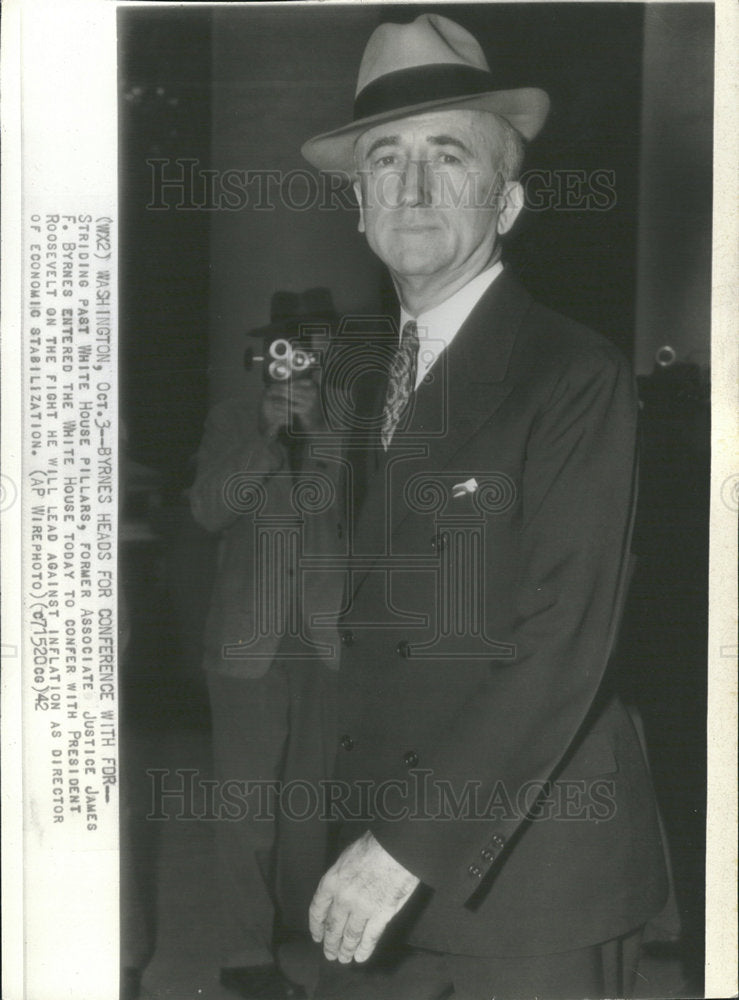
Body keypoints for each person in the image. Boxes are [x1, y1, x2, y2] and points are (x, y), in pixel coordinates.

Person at [298, 13, 668, 1000]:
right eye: (386, 159)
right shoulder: (352, 378)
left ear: (505, 203)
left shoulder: (571, 372)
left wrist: (401, 846)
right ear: (358, 206)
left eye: (447, 154)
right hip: (374, 878)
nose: (411, 187)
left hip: (529, 889)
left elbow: (561, 643)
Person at [190, 291, 345, 1000]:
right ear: (264, 356)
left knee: (312, 805)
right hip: (247, 646)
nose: (297, 361)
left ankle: (303, 929)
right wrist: (262, 436)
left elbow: (367, 519)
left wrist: (322, 440)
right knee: (246, 807)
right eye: (286, 347)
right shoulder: (231, 418)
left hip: (325, 640)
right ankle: (243, 953)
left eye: (312, 347)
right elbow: (208, 511)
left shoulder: (351, 423)